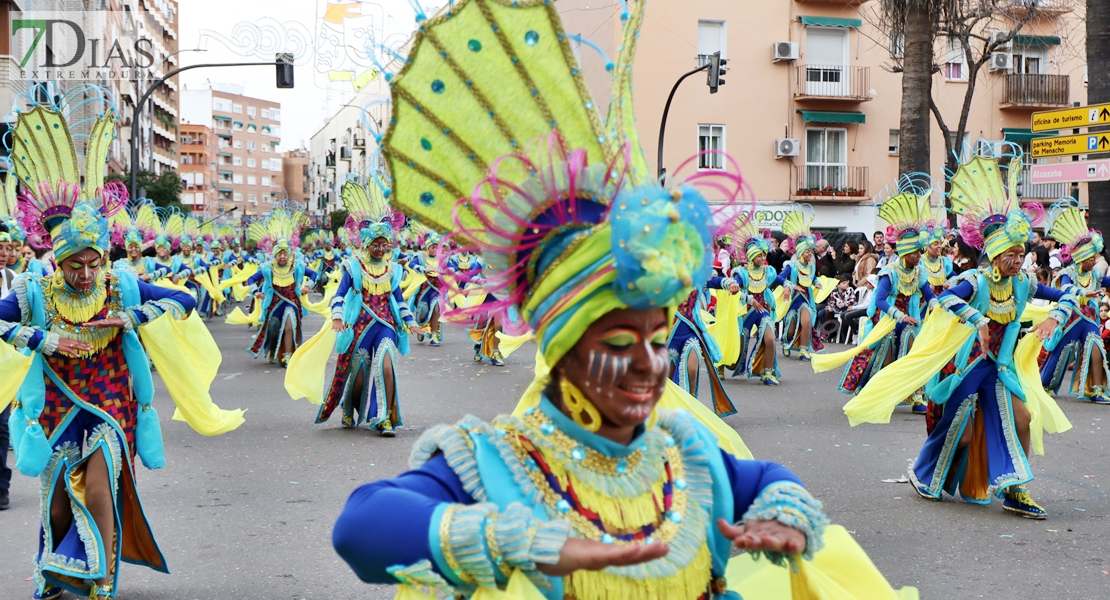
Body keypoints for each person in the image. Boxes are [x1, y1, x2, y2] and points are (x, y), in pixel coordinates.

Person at [330, 3, 917, 593]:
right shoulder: (496, 466)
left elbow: (761, 475)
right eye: (617, 340)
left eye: (657, 339)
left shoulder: (684, 460)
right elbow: (362, 527)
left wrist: (779, 508)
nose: (650, 363)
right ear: (560, 346)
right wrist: (513, 540)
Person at [0, 104, 244, 599]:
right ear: (58, 259)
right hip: (55, 403)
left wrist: (135, 317)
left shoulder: (123, 285)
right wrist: (41, 338)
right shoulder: (32, 292)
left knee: (98, 486)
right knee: (56, 502)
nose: (86, 275)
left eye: (94, 263)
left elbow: (185, 298)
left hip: (113, 402)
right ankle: (52, 570)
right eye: (75, 265)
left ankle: (101, 577)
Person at [843, 151, 1079, 519]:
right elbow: (944, 300)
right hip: (966, 366)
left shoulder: (1024, 284)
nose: (1018, 261)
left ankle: (1014, 487)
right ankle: (924, 473)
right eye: (1011, 255)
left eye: (1021, 254)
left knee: (1022, 418)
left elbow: (1068, 295)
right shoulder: (975, 281)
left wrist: (1055, 318)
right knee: (960, 432)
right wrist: (978, 320)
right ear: (995, 254)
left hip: (1000, 369)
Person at [303, 181, 427, 435]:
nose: (380, 250)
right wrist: (337, 317)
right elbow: (339, 295)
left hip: (385, 326)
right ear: (365, 244)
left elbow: (399, 299)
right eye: (375, 245)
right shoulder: (353, 266)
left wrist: (410, 322)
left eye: (384, 245)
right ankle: (350, 409)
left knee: (386, 365)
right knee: (359, 373)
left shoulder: (392, 269)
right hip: (358, 325)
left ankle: (383, 418)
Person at [814, 183, 938, 414]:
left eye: (920, 253)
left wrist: (940, 308)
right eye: (915, 253)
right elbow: (880, 300)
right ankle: (875, 390)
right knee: (885, 351)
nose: (919, 257)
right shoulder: (889, 272)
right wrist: (900, 316)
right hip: (887, 317)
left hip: (910, 318)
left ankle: (916, 394)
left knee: (915, 347)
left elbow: (929, 294)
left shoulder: (919, 272)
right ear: (904, 252)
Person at [1040, 202, 1110, 404]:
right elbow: (1066, 289)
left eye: (1093, 257)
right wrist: (1084, 292)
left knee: (1096, 348)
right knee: (1060, 351)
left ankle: (1096, 390)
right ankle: (1043, 384)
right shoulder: (1066, 274)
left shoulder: (1095, 274)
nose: (1092, 261)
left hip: (1089, 319)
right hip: (1070, 318)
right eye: (1088, 258)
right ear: (1079, 258)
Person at [245, 208, 318, 367]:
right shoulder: (268, 268)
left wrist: (307, 287)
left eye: (285, 253)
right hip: (273, 305)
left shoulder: (296, 267)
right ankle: (273, 350)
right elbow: (250, 279)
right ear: (275, 254)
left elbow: (314, 274)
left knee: (290, 323)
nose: (283, 256)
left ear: (289, 254)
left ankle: (287, 354)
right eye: (280, 254)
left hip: (292, 302)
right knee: (273, 330)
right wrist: (255, 291)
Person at [726, 221, 782, 385]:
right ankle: (723, 363)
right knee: (739, 344)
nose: (763, 258)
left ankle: (768, 372)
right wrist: (749, 299)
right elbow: (734, 289)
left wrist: (788, 285)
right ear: (751, 256)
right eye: (759, 255)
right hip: (745, 311)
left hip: (762, 310)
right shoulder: (741, 273)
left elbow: (778, 279)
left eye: (764, 255)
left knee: (770, 339)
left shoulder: (767, 271)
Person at [777, 211, 825, 361]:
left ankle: (804, 349)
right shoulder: (792, 266)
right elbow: (778, 278)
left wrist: (817, 283)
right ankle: (786, 342)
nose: (810, 253)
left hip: (806, 299)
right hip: (793, 300)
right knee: (790, 329)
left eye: (811, 251)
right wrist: (790, 285)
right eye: (807, 251)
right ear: (800, 252)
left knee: (807, 322)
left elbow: (812, 278)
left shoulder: (810, 267)